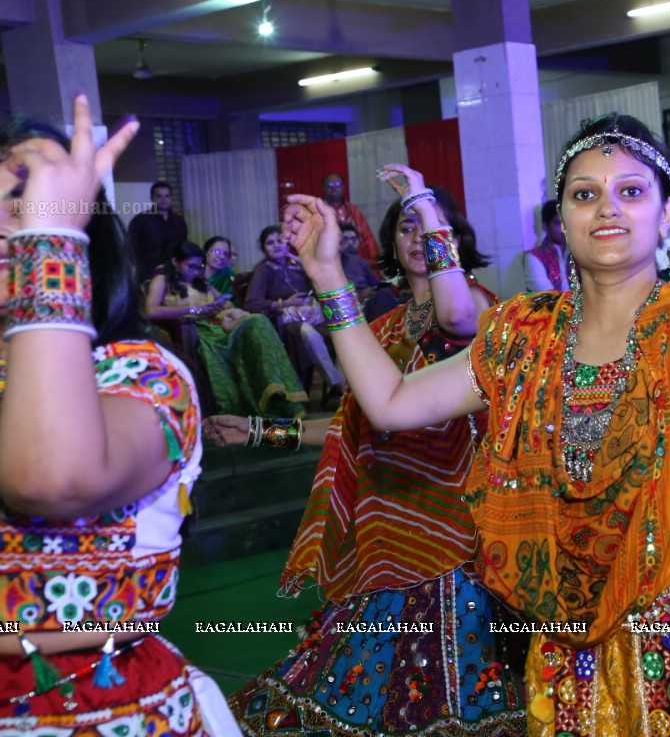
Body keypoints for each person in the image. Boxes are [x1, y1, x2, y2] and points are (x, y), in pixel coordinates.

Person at [279, 47, 670, 737]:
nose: (608, 209)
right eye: (585, 193)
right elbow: (391, 401)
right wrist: (330, 278)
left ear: (665, 217)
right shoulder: (523, 334)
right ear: (562, 221)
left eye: (632, 192)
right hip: (571, 630)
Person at [208, 172, 526, 737]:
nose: (416, 235)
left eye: (427, 225)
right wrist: (259, 430)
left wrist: (424, 203)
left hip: (455, 525)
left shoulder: (478, 307)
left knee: (455, 691)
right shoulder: (380, 327)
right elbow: (351, 419)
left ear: (449, 235)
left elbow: (453, 318)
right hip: (385, 526)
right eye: (404, 225)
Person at [0, 101, 239, 734]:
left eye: (24, 202)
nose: (8, 225)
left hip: (89, 705)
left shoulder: (139, 373)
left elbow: (53, 478)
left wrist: (46, 243)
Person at [146, 240, 307, 418]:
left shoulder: (201, 282)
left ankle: (278, 394)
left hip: (218, 326)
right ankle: (241, 407)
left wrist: (221, 308)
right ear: (176, 262)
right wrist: (193, 309)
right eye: (190, 266)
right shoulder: (163, 279)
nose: (195, 271)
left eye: (198, 267)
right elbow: (150, 310)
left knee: (258, 321)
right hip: (194, 332)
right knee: (246, 329)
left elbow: (226, 302)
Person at [244, 225, 345, 403]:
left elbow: (321, 285)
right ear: (263, 248)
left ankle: (344, 388)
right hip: (286, 321)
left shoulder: (297, 265)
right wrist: (285, 303)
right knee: (307, 333)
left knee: (344, 330)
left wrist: (304, 264)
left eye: (280, 241)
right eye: (270, 243)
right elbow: (251, 303)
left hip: (314, 315)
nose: (276, 245)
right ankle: (338, 386)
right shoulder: (264, 270)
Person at [128, 180, 188, 281]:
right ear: (152, 198)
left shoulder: (179, 221)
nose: (164, 200)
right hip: (148, 274)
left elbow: (184, 247)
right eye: (159, 196)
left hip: (175, 273)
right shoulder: (141, 220)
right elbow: (129, 247)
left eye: (167, 196)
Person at [322, 172, 380, 264]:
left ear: (343, 187)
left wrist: (375, 260)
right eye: (330, 185)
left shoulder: (352, 210)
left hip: (358, 261)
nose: (334, 188)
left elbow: (367, 236)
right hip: (331, 262)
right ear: (323, 188)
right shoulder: (318, 212)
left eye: (337, 184)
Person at [525, 199, 569, 292]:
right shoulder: (535, 258)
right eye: (558, 223)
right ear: (545, 226)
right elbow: (548, 298)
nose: (564, 228)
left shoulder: (578, 253)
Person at [338, 222, 381, 294]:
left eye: (353, 239)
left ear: (358, 241)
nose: (350, 243)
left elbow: (375, 284)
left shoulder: (362, 262)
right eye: (346, 239)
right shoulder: (336, 261)